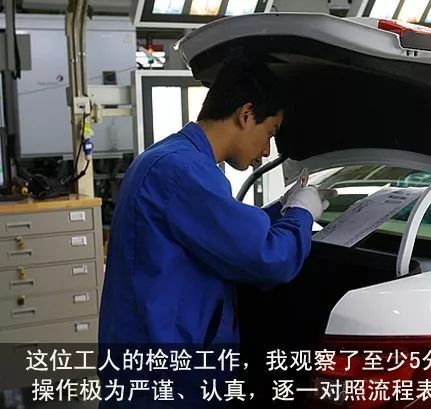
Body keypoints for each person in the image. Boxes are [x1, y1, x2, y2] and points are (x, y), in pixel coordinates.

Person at [97, 59, 331, 408]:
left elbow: (222, 231)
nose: (267, 151)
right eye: (270, 133)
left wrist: (281, 209)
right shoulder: (184, 172)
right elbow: (268, 259)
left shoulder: (168, 159)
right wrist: (301, 215)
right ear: (246, 114)